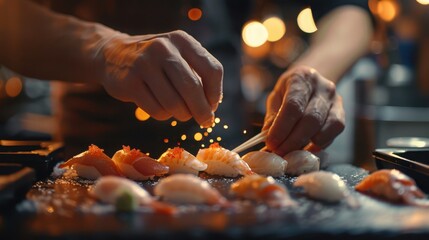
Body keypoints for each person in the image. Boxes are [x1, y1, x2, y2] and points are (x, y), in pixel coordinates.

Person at [0, 0, 373, 160]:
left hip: (225, 152)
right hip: (88, 157)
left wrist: (312, 72)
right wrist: (102, 49)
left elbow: (348, 12)